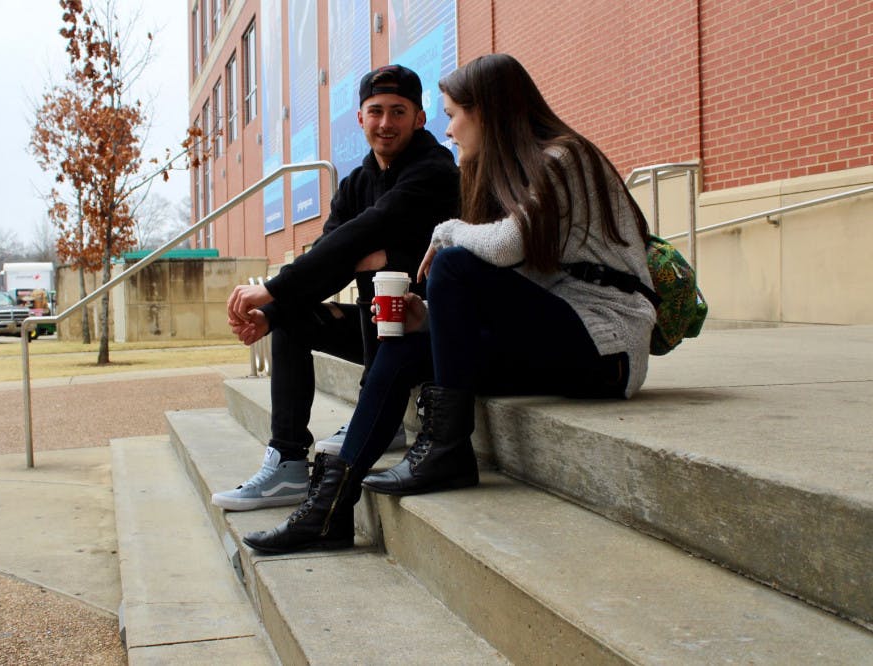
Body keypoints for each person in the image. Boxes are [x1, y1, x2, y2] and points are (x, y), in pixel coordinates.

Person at [242, 53, 656, 554]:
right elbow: (515, 279)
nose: (449, 128)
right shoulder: (498, 174)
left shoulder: (562, 158)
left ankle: (447, 447)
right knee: (404, 342)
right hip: (552, 340)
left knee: (456, 261)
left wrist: (445, 233)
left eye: (454, 114)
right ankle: (331, 505)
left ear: (487, 112)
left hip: (606, 347)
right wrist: (433, 319)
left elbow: (505, 249)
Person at [213, 65, 460, 511]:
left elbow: (369, 230)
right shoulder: (357, 183)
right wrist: (271, 312)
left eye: (399, 112)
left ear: (421, 119)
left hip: (433, 340)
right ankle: (287, 462)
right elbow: (332, 253)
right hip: (381, 338)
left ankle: (380, 411)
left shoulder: (435, 170)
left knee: (380, 273)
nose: (386, 122)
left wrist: (272, 286)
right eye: (377, 111)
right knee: (292, 318)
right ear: (361, 118)